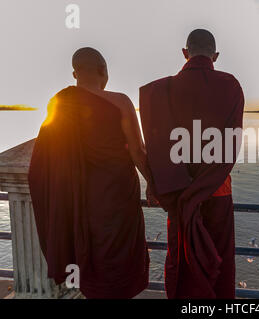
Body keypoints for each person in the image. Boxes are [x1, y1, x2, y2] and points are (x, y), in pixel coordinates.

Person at [28, 47, 150, 299]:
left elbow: (45, 163)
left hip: (82, 204)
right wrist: (157, 187)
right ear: (103, 70)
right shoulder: (120, 102)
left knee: (92, 263)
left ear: (75, 73)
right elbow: (138, 152)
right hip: (119, 203)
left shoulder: (60, 104)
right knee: (120, 269)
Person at [139, 29, 244, 299]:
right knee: (219, 259)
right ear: (215, 55)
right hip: (217, 190)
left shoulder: (159, 91)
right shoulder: (230, 85)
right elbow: (231, 144)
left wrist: (154, 182)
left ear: (185, 53)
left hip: (177, 194)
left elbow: (155, 144)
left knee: (183, 260)